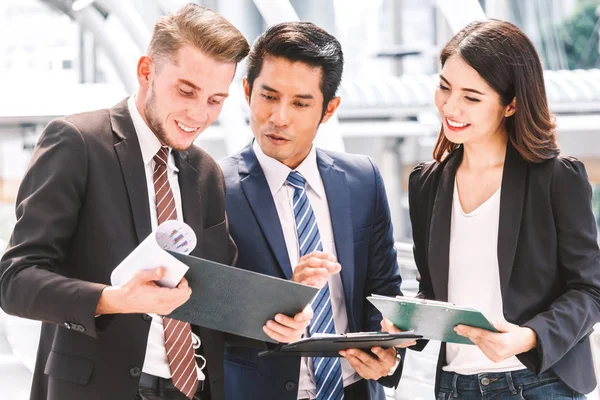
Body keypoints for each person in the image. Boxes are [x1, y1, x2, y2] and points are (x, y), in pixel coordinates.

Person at [0, 4, 311, 400]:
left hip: (193, 389)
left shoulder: (206, 173)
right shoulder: (77, 142)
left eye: (215, 100)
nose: (199, 114)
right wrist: (113, 300)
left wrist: (276, 317)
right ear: (147, 71)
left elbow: (215, 304)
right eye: (186, 91)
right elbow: (14, 280)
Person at [382, 19, 600, 399]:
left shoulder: (556, 177)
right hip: (455, 387)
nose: (450, 106)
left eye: (471, 96)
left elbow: (590, 290)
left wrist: (529, 337)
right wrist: (406, 324)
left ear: (511, 103)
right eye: (445, 88)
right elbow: (435, 291)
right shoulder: (427, 184)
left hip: (539, 383)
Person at [219, 22, 409, 400]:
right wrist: (285, 297)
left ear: (329, 109)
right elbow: (201, 307)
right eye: (268, 96)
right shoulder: (212, 187)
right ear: (246, 91)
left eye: (301, 103)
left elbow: (383, 291)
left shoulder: (363, 180)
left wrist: (390, 359)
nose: (279, 117)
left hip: (354, 390)